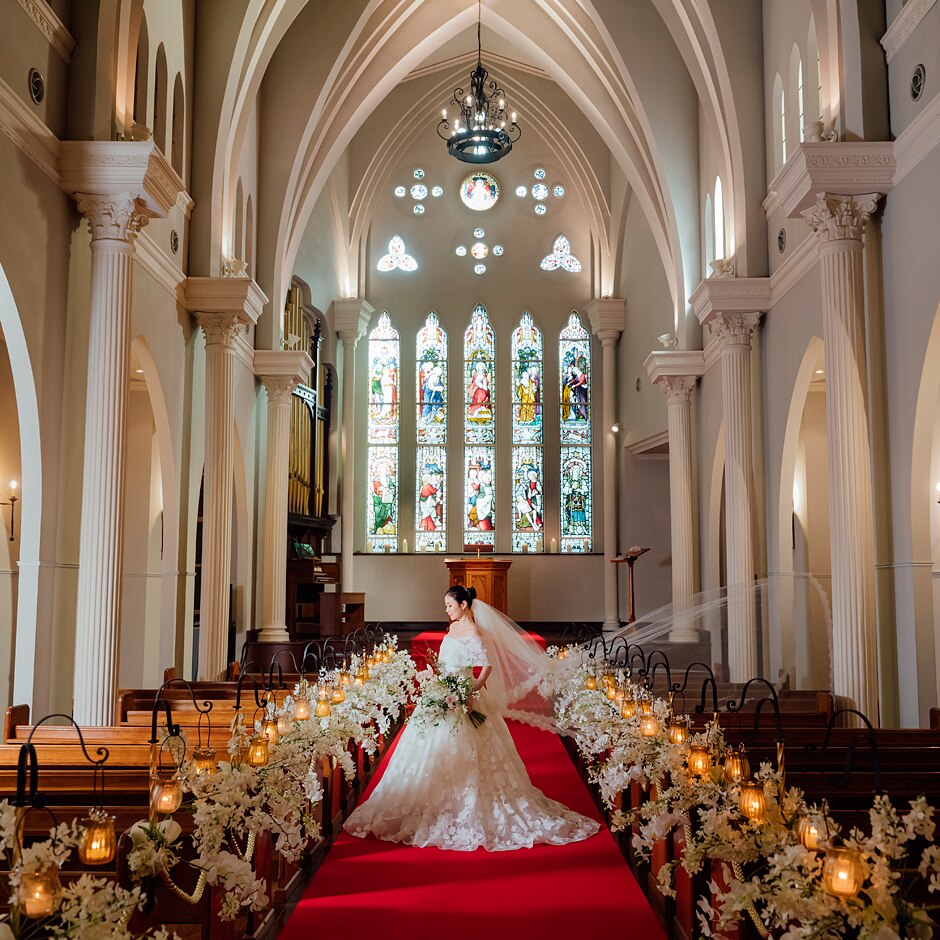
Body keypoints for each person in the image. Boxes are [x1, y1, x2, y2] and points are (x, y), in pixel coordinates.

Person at [344, 586, 599, 851]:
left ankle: (467, 804)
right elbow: (446, 662)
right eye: (445, 605)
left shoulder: (473, 632)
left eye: (449, 605)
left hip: (464, 694)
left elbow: (486, 664)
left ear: (464, 604)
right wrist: (438, 683)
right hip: (442, 691)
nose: (446, 610)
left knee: (474, 750)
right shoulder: (452, 628)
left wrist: (473, 687)